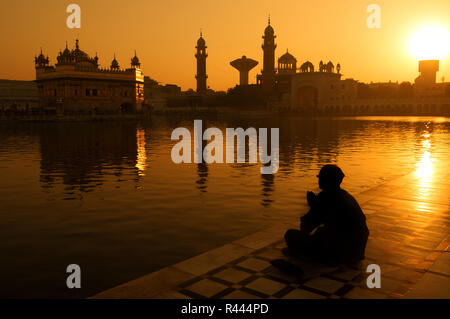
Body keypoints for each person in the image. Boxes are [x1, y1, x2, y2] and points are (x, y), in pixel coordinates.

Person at [284, 164, 369, 266]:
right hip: (357, 252)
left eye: (321, 178)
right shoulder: (346, 196)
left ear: (327, 180)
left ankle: (310, 256)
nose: (319, 181)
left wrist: (313, 205)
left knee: (291, 235)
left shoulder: (325, 197)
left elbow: (306, 227)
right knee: (322, 232)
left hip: (339, 253)